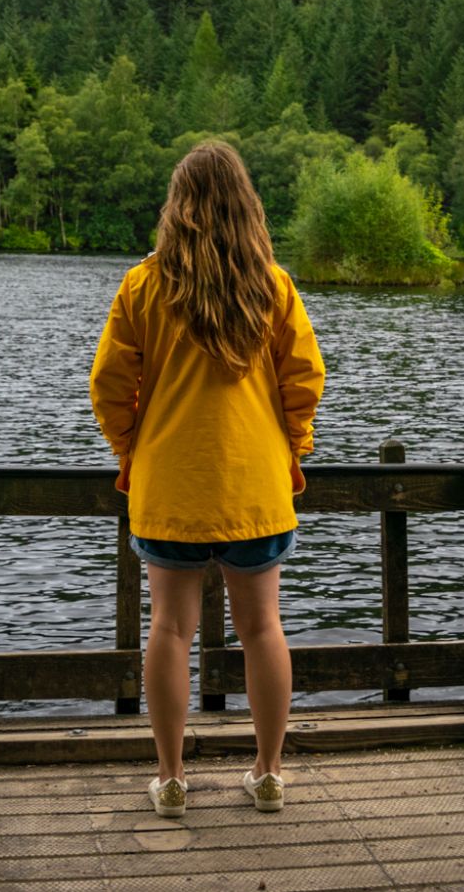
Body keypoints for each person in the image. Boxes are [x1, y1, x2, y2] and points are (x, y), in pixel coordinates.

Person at [89, 141, 326, 819]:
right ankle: (270, 771)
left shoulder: (144, 283)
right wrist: (292, 448)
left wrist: (133, 448)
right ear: (246, 204)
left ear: (178, 205)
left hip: (170, 487)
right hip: (256, 486)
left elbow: (108, 386)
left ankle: (170, 780)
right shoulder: (272, 284)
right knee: (263, 629)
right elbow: (304, 380)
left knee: (168, 629)